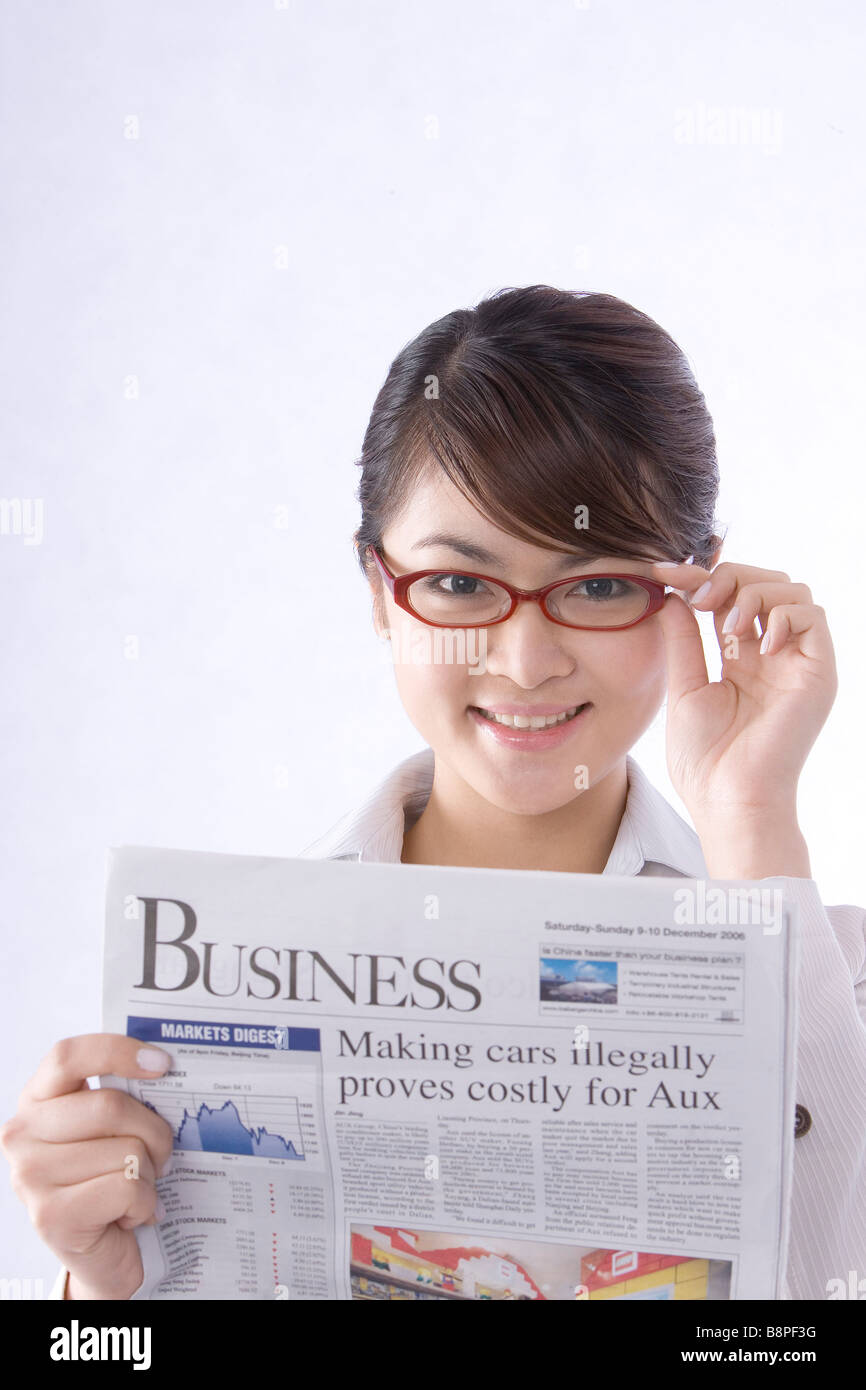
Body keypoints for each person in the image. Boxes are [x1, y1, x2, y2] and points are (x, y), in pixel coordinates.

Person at [3, 285, 863, 1301]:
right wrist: (101, 1300)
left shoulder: (827, 974)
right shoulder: (210, 990)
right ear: (379, 589)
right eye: (458, 584)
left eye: (597, 585)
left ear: (693, 591)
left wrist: (749, 815)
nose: (525, 660)